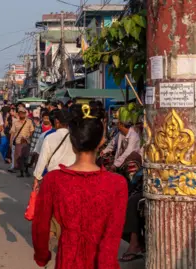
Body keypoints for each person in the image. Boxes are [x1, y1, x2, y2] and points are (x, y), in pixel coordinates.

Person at [32, 104, 128, 269]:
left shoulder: (53, 180)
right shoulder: (117, 184)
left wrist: (42, 255)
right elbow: (112, 238)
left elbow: (40, 226)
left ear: (72, 141)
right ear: (101, 141)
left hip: (67, 260)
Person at [33, 109, 76, 189]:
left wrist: (37, 178)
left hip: (53, 176)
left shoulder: (49, 137)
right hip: (71, 176)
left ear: (56, 121)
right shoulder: (74, 138)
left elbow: (42, 159)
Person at [8, 106, 34, 177]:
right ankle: (21, 172)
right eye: (20, 113)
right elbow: (12, 133)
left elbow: (32, 131)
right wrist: (10, 142)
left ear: (25, 113)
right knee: (19, 157)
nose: (22, 114)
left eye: (23, 113)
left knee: (26, 157)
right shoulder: (15, 122)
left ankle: (26, 170)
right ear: (18, 114)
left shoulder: (29, 121)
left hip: (26, 142)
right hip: (18, 142)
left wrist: (28, 137)